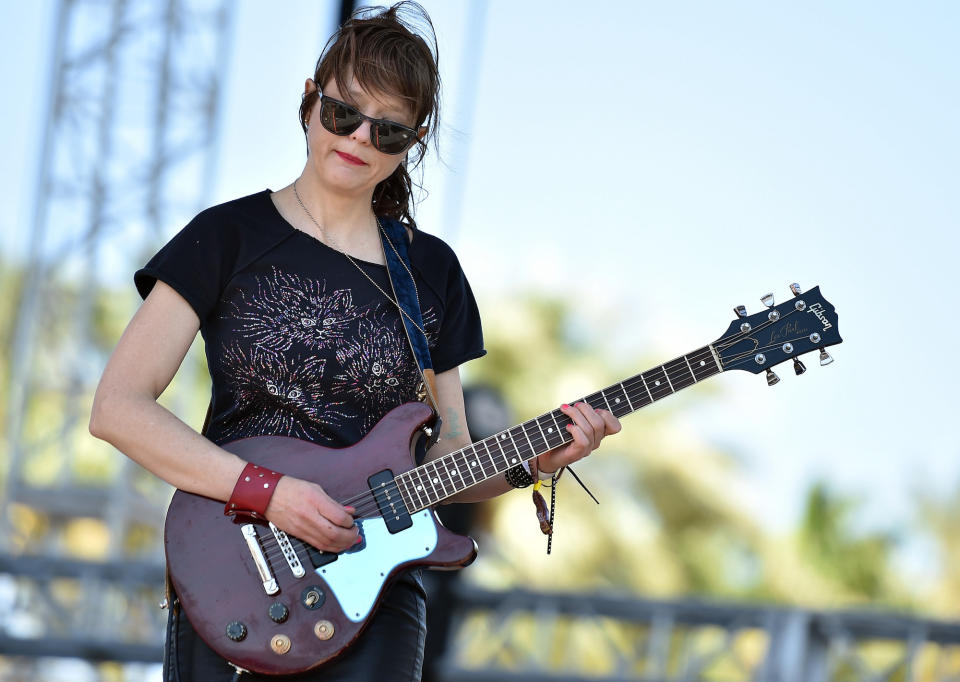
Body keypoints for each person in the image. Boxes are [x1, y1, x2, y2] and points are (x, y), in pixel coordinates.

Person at [89, 3, 621, 680]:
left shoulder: (429, 273)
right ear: (310, 102)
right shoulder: (225, 237)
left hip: (376, 597)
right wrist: (270, 492)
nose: (360, 137)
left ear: (413, 140)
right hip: (238, 570)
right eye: (345, 113)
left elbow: (452, 454)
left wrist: (532, 462)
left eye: (389, 129)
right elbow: (117, 408)